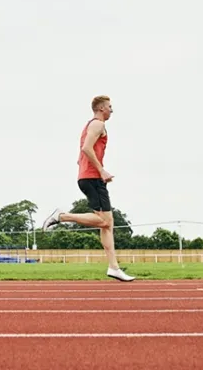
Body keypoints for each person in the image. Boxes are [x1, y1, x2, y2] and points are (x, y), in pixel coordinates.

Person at [41, 95, 134, 281]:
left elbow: (82, 153)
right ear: (101, 109)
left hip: (88, 176)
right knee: (105, 222)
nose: (111, 110)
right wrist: (101, 170)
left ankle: (114, 267)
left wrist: (88, 166)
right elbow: (86, 148)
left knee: (108, 224)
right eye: (109, 106)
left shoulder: (89, 126)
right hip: (92, 177)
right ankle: (62, 216)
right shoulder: (98, 124)